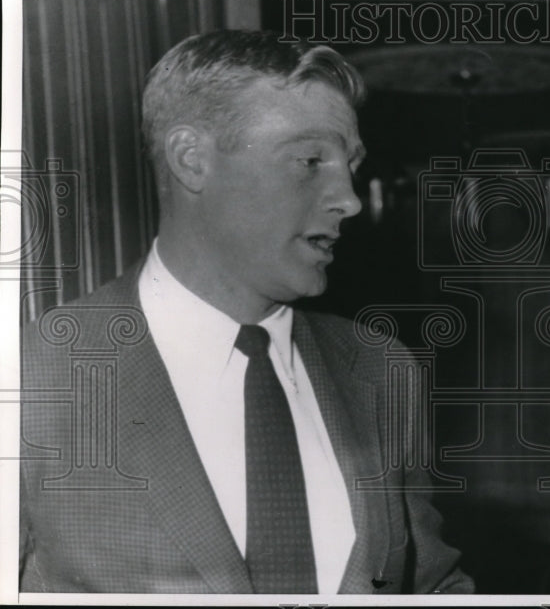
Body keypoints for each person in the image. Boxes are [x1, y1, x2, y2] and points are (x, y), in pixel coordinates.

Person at [19, 30, 472, 595]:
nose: (350, 199)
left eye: (350, 164)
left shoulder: (381, 370)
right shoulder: (35, 377)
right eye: (310, 159)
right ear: (191, 160)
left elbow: (430, 587)